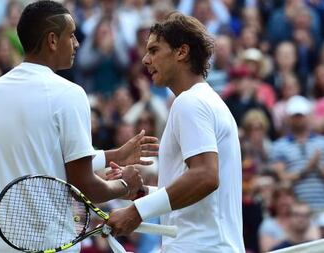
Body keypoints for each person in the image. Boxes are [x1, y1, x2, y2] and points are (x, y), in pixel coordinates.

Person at [0, 1, 158, 253]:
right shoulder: (69, 94)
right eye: (71, 36)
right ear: (52, 40)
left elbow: (41, 159)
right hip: (47, 245)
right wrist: (126, 185)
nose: (77, 43)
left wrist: (114, 156)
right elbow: (86, 186)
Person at [105, 12, 245, 252]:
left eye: (154, 50)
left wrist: (136, 212)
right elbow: (197, 194)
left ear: (181, 52)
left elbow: (205, 177)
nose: (146, 60)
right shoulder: (207, 100)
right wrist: (141, 193)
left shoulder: (190, 102)